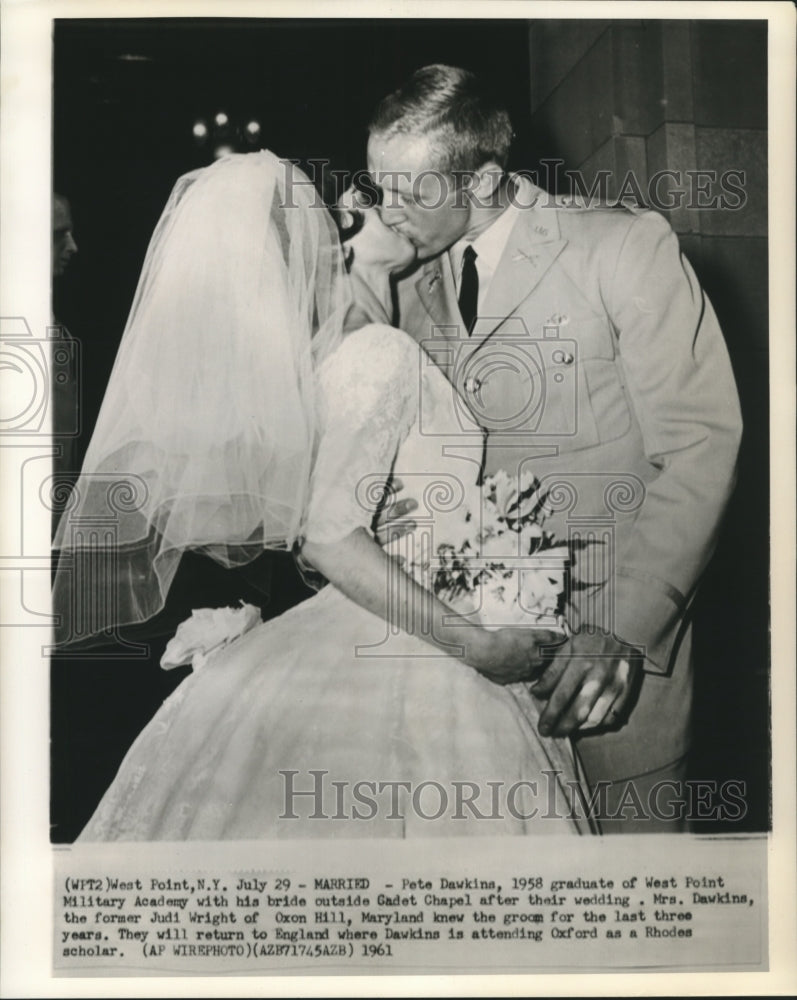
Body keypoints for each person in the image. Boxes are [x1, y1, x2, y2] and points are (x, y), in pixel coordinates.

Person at [54, 150, 588, 839]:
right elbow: (328, 537)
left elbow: (324, 525)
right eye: (361, 202)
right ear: (324, 239)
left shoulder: (314, 369)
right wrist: (474, 643)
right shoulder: (378, 353)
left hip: (374, 610)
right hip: (422, 642)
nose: (383, 206)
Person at [355, 65, 743, 832]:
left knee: (633, 919)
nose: (384, 213)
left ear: (487, 177)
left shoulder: (619, 247)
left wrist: (623, 631)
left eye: (408, 193)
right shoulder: (400, 286)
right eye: (376, 187)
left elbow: (700, 448)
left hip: (607, 671)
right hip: (466, 686)